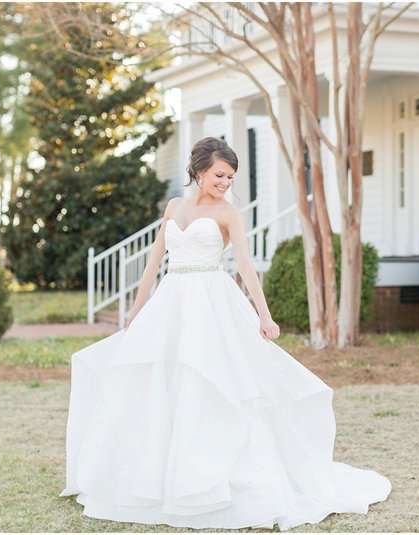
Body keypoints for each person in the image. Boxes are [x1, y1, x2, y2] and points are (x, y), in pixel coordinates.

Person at [59, 137, 392, 530]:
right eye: (219, 175)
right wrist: (136, 310)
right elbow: (153, 262)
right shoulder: (174, 207)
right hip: (172, 300)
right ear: (199, 170)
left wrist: (264, 316)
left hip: (212, 302)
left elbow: (247, 268)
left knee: (211, 379)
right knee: (162, 381)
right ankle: (158, 478)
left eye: (230, 177)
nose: (225, 182)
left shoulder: (229, 212)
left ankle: (215, 478)